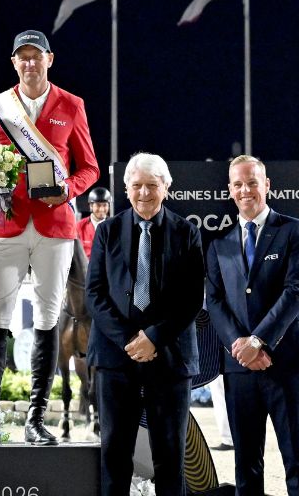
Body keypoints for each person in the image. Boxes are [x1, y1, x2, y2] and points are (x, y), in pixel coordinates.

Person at [0, 30, 100, 446]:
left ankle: (36, 419)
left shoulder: (71, 105)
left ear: (49, 59)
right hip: (8, 224)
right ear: (14, 63)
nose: (29, 63)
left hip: (55, 226)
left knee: (47, 319)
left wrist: (70, 190)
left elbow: (90, 168)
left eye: (36, 57)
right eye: (22, 57)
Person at [86, 153, 204, 496]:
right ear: (125, 188)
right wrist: (129, 340)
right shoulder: (107, 232)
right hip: (114, 360)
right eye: (136, 186)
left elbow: (192, 299)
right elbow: (94, 294)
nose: (144, 193)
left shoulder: (187, 233)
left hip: (169, 359)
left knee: (170, 458)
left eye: (152, 186)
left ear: (166, 187)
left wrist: (153, 338)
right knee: (115, 456)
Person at [204, 155, 299, 495]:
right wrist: (242, 346)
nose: (245, 190)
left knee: (297, 460)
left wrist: (260, 341)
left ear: (267, 185)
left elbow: (296, 292)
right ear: (229, 190)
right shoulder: (218, 244)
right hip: (240, 368)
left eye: (252, 182)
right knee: (246, 464)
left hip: (286, 362)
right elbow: (215, 302)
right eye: (238, 184)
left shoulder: (295, 230)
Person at [77, 187, 112, 259]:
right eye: (98, 205)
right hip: (86, 268)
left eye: (105, 205)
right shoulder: (79, 226)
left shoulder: (115, 226)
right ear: (91, 206)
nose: (101, 209)